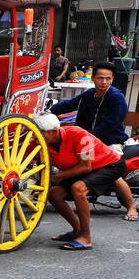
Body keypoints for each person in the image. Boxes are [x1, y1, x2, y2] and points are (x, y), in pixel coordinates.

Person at [49, 61, 136, 220]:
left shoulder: (116, 97)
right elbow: (68, 105)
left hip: (109, 142)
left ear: (112, 79)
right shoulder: (89, 94)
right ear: (93, 79)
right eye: (100, 78)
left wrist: (86, 139)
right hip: (85, 141)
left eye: (108, 78)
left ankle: (131, 207)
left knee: (112, 173)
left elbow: (110, 124)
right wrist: (47, 110)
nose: (104, 82)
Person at [36, 112, 128, 250]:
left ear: (54, 132)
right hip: (82, 168)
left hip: (109, 165)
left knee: (79, 189)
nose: (35, 136)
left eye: (41, 132)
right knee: (54, 194)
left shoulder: (78, 134)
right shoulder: (39, 140)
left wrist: (55, 178)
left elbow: (86, 166)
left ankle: (86, 237)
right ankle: (77, 231)